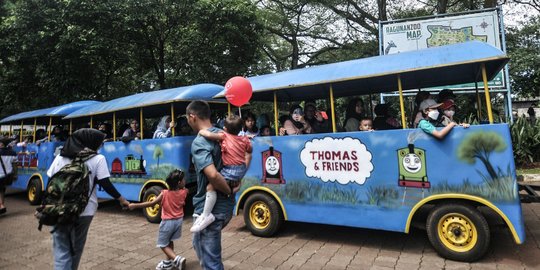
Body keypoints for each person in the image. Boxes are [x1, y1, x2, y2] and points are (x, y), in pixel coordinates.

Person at [45, 128, 129, 270]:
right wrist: (122, 200)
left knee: (62, 253)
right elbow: (105, 184)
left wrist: (48, 206)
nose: (100, 146)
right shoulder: (98, 158)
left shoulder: (61, 156)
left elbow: (49, 183)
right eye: (99, 143)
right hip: (85, 210)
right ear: (91, 142)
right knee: (76, 250)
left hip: (59, 210)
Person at [186, 100, 235, 270]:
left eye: (187, 118)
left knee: (211, 263)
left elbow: (212, 175)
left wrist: (227, 190)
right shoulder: (225, 134)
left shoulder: (200, 142)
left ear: (192, 117)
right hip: (227, 207)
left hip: (210, 210)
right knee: (198, 243)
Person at [192, 114, 252, 232]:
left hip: (230, 169)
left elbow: (209, 134)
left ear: (225, 129)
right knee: (227, 182)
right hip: (240, 169)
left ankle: (206, 214)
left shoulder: (224, 136)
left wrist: (201, 132)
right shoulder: (245, 139)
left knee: (210, 186)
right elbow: (249, 151)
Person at [128, 170, 187, 270]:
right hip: (178, 221)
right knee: (170, 241)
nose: (185, 181)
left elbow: (151, 204)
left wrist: (135, 205)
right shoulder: (184, 192)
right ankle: (168, 263)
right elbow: (183, 188)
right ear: (179, 183)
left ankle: (177, 259)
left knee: (163, 245)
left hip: (168, 222)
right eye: (183, 179)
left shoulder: (164, 194)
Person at [0, 136, 16, 215]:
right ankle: (2, 205)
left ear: (2, 144)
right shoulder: (13, 152)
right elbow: (15, 165)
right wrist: (15, 175)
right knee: (2, 190)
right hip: (7, 176)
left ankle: (1, 206)